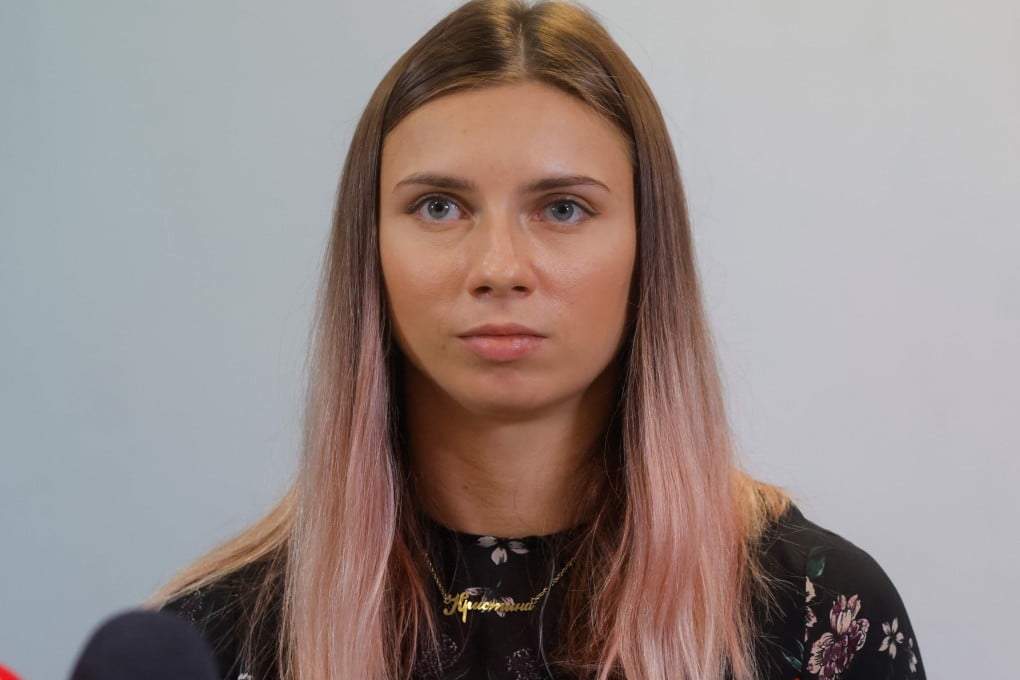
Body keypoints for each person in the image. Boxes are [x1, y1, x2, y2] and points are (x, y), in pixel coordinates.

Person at [151, 1, 926, 678]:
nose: (498, 269)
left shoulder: (820, 619)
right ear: (370, 250)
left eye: (561, 209)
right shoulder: (214, 641)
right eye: (439, 208)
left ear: (647, 249)